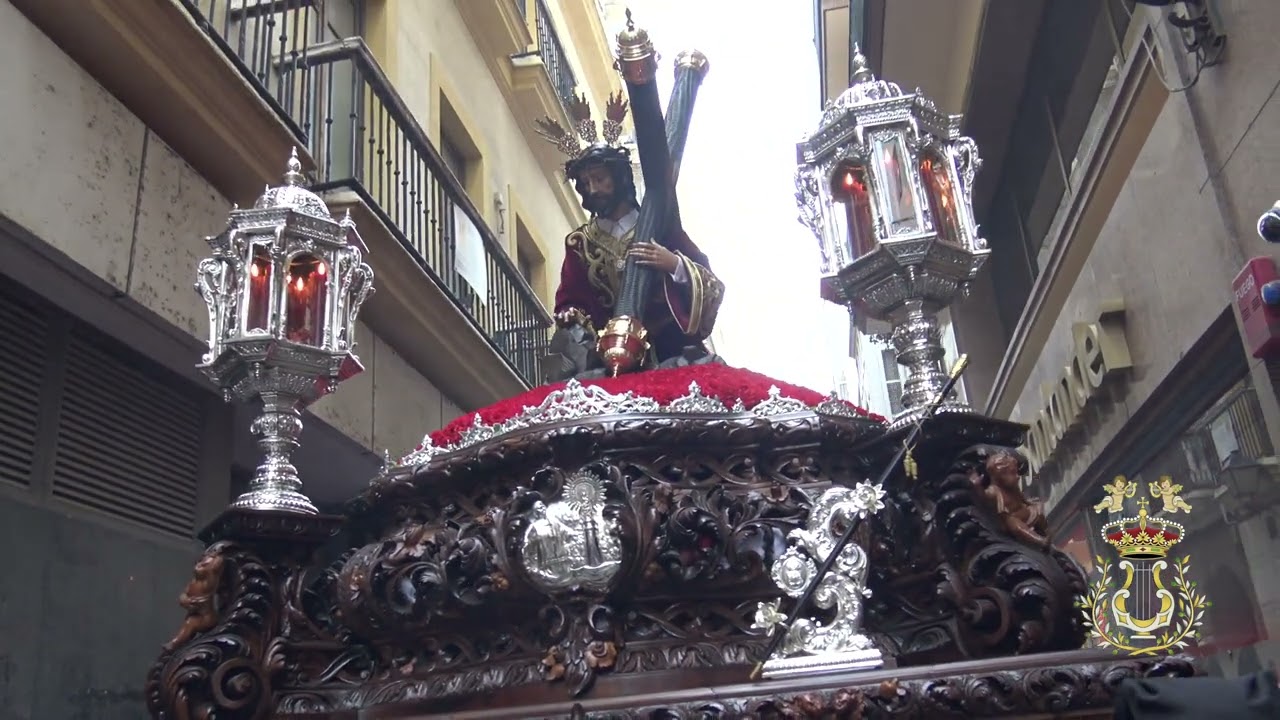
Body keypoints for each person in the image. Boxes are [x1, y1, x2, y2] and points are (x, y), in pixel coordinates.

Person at [536, 94, 724, 374]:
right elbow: (571, 298)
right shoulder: (581, 243)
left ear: (619, 177)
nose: (593, 189)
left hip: (670, 351)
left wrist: (673, 264)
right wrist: (570, 315)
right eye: (586, 183)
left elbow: (712, 285)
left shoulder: (659, 227)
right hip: (610, 358)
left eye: (599, 179)